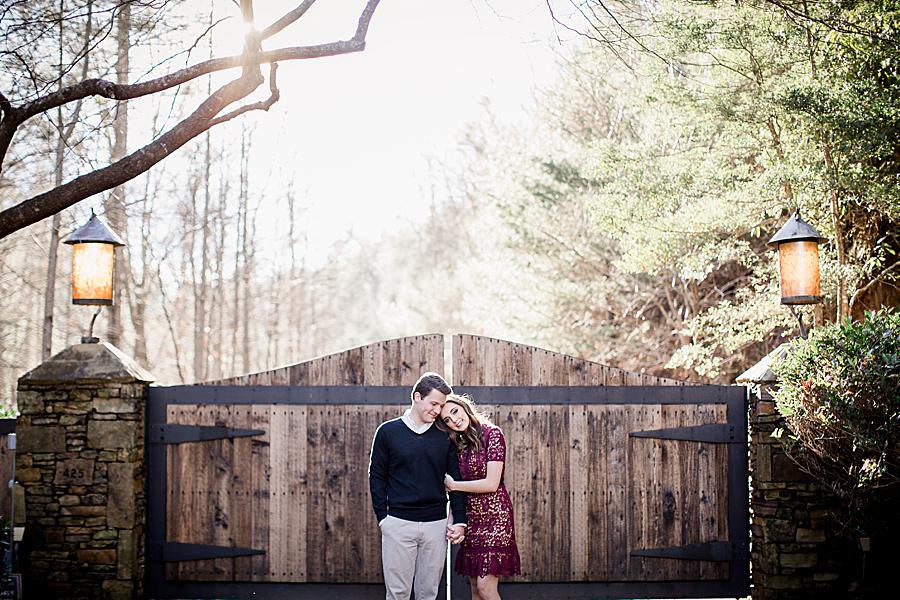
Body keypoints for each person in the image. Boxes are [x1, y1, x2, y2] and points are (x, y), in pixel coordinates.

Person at [368, 372, 467, 600]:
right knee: (397, 594)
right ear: (417, 397)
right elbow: (377, 477)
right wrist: (384, 518)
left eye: (441, 405)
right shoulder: (387, 432)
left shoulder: (445, 436)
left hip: (436, 525)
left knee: (428, 593)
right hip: (398, 524)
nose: (437, 410)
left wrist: (459, 520)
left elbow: (456, 480)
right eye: (433, 403)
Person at [438, 394, 520, 600]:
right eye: (447, 420)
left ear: (465, 407)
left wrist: (455, 485)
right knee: (475, 588)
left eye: (455, 411)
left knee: (486, 588)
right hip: (471, 518)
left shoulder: (492, 434)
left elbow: (491, 483)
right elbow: (458, 493)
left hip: (496, 517)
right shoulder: (458, 443)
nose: (454, 420)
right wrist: (454, 521)